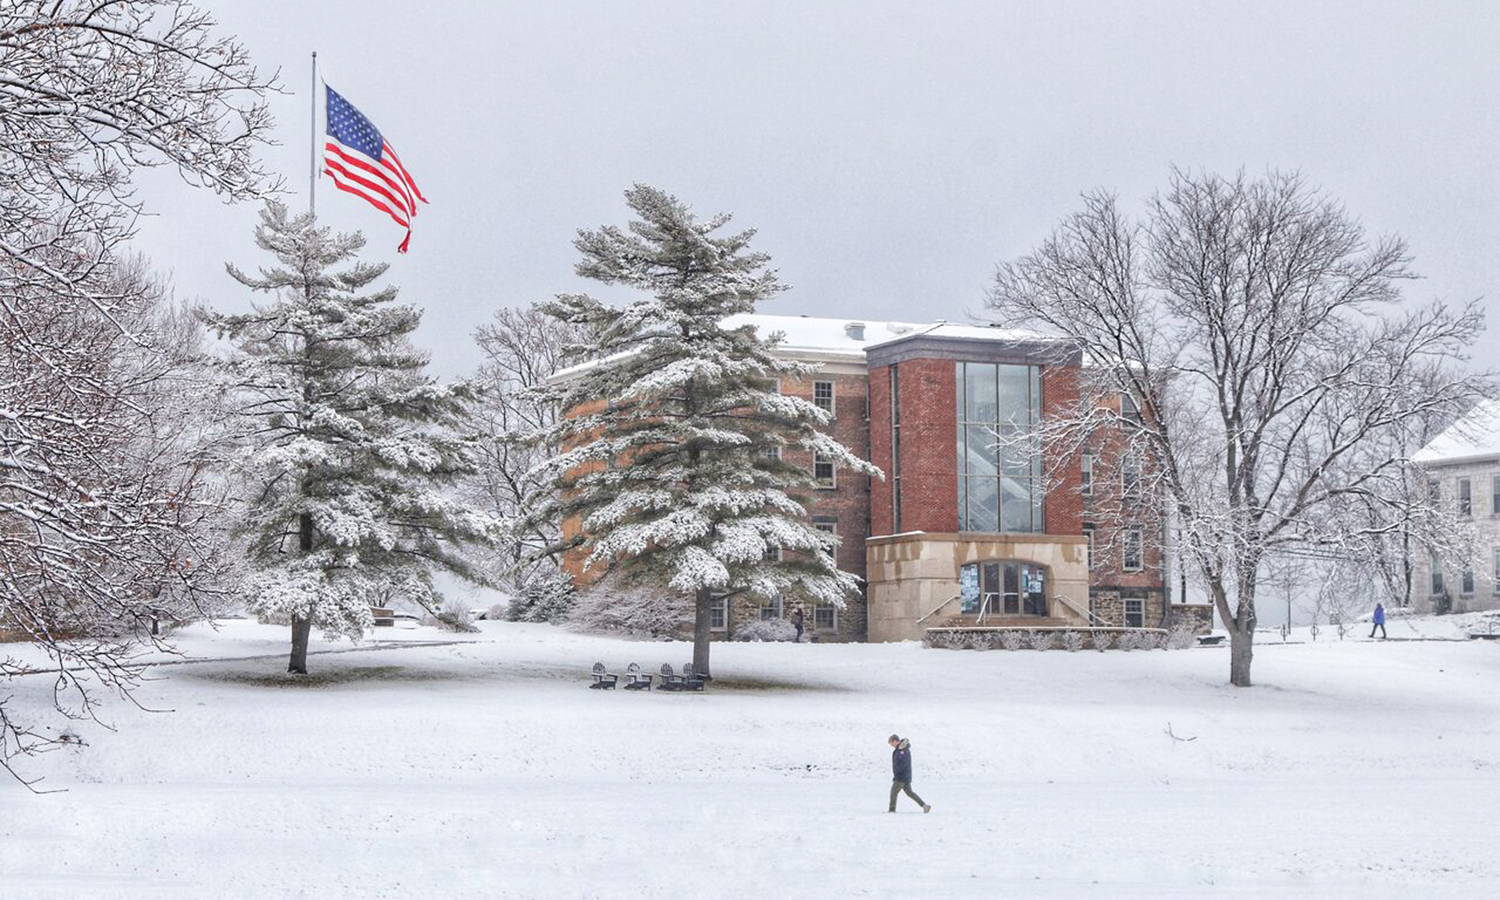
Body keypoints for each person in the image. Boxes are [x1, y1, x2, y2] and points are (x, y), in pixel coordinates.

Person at [887, 734, 931, 813]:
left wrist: (898, 774)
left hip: (901, 777)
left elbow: (902, 764)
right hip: (904, 776)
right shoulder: (900, 749)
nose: (891, 745)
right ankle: (925, 806)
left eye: (891, 743)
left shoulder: (902, 750)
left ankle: (891, 810)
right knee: (910, 793)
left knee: (893, 792)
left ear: (895, 741)